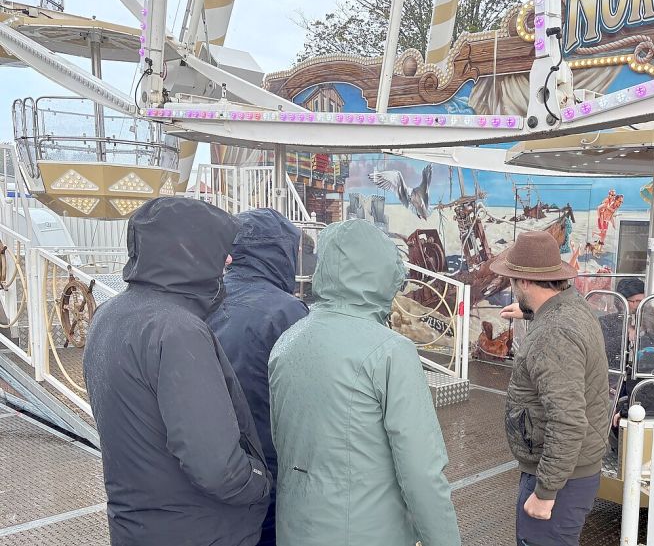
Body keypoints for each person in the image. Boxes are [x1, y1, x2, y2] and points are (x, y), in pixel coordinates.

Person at [83, 197, 271, 546]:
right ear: (191, 252)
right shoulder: (177, 331)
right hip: (198, 531)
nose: (228, 259)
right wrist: (260, 482)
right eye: (219, 248)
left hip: (136, 525)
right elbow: (217, 467)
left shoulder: (108, 315)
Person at [269, 219, 460, 546]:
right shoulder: (390, 351)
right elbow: (421, 474)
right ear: (383, 273)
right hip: (367, 531)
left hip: (296, 526)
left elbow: (283, 441)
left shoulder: (288, 342)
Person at [490, 230, 609, 546]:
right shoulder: (573, 306)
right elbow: (556, 314)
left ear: (525, 282)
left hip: (559, 479)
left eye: (514, 281)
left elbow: (567, 421)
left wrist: (545, 493)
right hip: (571, 471)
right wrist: (530, 311)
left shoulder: (552, 335)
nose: (513, 287)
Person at [208, 209, 310, 546]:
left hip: (212, 466)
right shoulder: (287, 312)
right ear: (280, 252)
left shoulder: (204, 298)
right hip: (268, 471)